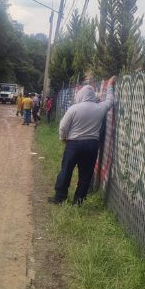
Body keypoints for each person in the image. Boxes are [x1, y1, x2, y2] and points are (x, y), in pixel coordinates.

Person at [50, 77, 116, 205]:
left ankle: (60, 198)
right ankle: (78, 201)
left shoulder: (74, 109)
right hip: (92, 145)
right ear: (92, 95)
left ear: (80, 95)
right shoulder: (100, 108)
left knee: (66, 170)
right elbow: (110, 101)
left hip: (74, 144)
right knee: (85, 174)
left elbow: (63, 126)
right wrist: (110, 86)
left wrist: (63, 138)